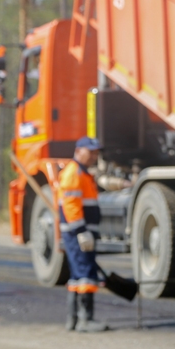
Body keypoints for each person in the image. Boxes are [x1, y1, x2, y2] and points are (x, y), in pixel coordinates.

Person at [59, 136, 108, 333]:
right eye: (91, 152)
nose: (94, 156)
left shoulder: (82, 172)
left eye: (96, 152)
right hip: (79, 233)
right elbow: (71, 205)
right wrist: (81, 231)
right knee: (86, 274)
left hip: (80, 232)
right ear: (79, 150)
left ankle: (72, 319)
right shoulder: (74, 172)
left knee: (78, 274)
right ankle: (85, 320)